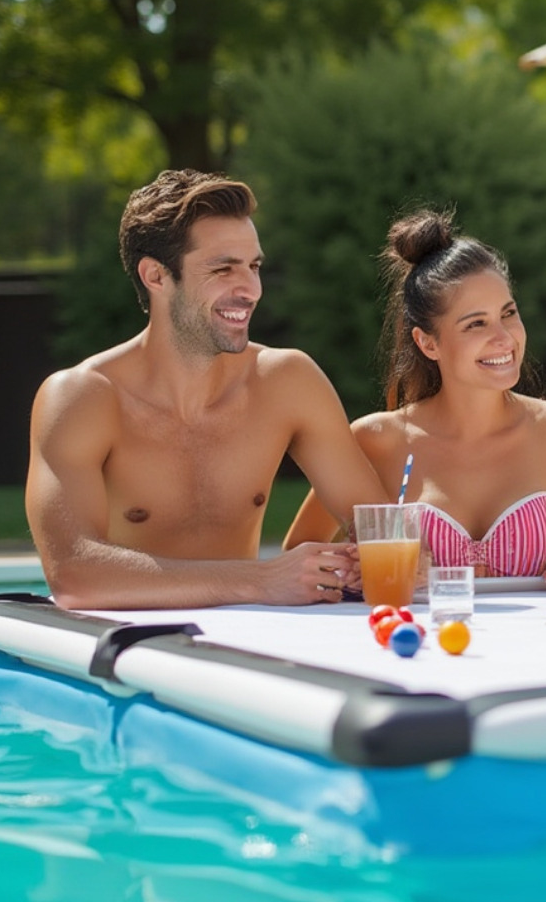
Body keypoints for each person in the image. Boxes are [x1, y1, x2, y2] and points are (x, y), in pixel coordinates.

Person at [26, 170, 387, 610]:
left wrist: (364, 561)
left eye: (254, 266)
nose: (251, 289)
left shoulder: (288, 381)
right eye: (223, 269)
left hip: (240, 647)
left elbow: (382, 530)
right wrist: (261, 580)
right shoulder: (83, 398)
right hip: (133, 651)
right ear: (156, 276)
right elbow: (74, 576)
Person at [285, 209, 546, 587]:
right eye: (476, 323)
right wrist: (366, 566)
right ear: (428, 343)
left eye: (508, 313)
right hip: (420, 643)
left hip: (543, 643)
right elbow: (299, 558)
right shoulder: (374, 441)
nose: (505, 337)